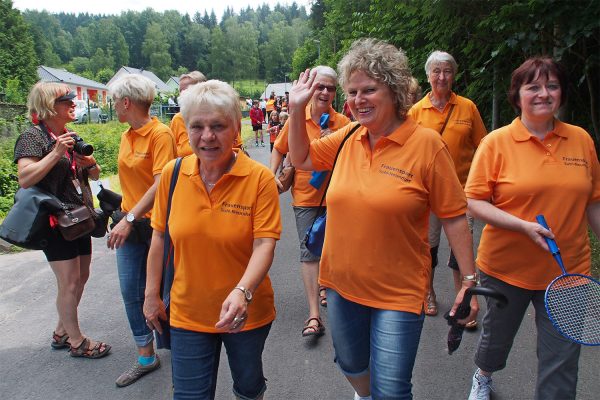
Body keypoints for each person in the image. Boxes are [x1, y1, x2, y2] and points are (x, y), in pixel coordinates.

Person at [287, 38, 479, 399]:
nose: (359, 99)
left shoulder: (426, 145)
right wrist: (297, 111)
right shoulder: (348, 137)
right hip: (342, 285)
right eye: (353, 91)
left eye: (369, 90)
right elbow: (301, 158)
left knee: (391, 389)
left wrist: (468, 281)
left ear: (393, 90)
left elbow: (454, 216)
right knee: (353, 366)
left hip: (400, 290)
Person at [465, 57, 600, 400]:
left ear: (562, 93)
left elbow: (593, 202)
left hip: (568, 271)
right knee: (496, 342)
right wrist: (522, 226)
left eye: (552, 86)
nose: (544, 94)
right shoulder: (496, 143)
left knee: (562, 362)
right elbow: (474, 202)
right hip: (505, 270)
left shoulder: (581, 140)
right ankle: (483, 375)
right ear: (518, 95)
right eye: (533, 87)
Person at [144, 80, 281, 400]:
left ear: (236, 129)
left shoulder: (259, 179)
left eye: (218, 126)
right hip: (187, 313)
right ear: (186, 129)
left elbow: (265, 244)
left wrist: (242, 291)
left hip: (247, 313)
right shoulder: (173, 174)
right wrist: (151, 294)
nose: (207, 136)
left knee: (248, 388)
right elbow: (159, 239)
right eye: (198, 126)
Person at [14, 82, 110, 359]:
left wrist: (89, 163)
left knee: (82, 277)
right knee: (68, 282)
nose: (73, 103)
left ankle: (61, 331)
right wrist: (55, 153)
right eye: (66, 99)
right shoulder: (33, 137)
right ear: (48, 106)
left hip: (78, 218)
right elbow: (25, 178)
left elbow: (92, 175)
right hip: (54, 221)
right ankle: (77, 341)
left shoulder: (69, 134)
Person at [270, 65, 351, 338]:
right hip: (305, 197)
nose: (325, 92)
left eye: (330, 88)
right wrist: (271, 176)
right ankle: (314, 314)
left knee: (335, 250)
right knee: (310, 252)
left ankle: (330, 289)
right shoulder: (297, 118)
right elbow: (280, 149)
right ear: (311, 88)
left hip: (338, 196)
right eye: (320, 87)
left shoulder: (344, 124)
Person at [107, 74, 177, 387]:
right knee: (129, 292)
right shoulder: (126, 136)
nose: (112, 106)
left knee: (167, 292)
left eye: (114, 101)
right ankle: (146, 355)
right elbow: (130, 181)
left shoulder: (160, 134)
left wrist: (130, 218)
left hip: (155, 225)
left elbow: (161, 184)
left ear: (126, 102)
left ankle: (184, 350)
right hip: (130, 223)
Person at [408, 51, 487, 323]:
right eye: (437, 71)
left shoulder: (468, 107)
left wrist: (478, 182)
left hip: (462, 192)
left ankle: (463, 299)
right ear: (428, 75)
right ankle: (427, 293)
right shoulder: (415, 112)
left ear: (454, 75)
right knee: (428, 248)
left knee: (460, 249)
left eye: (447, 71)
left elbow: (483, 147)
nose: (442, 77)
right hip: (427, 195)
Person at [170, 71, 207, 157]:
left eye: (186, 90)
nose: (182, 95)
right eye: (180, 91)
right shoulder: (177, 119)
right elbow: (171, 153)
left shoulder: (219, 115)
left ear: (203, 91)